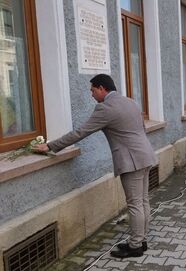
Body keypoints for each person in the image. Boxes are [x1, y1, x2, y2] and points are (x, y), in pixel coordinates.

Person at [32, 74, 157, 258]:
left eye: (92, 90)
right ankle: (141, 240)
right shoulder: (130, 102)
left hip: (131, 161)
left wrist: (50, 146)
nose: (91, 95)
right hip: (145, 154)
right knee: (143, 200)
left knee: (135, 203)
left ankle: (136, 245)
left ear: (101, 88)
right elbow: (141, 129)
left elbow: (80, 132)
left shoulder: (105, 108)